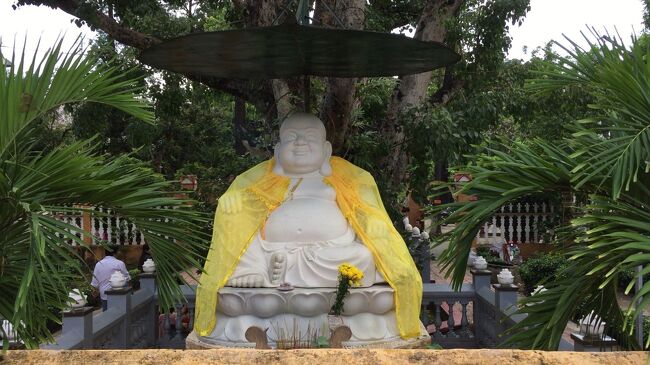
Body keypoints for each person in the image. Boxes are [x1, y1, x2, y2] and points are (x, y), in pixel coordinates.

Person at [194, 112, 422, 340]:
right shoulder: (262, 182)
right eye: (291, 137)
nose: (300, 142)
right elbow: (242, 209)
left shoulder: (343, 181)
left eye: (309, 137)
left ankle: (281, 271)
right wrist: (231, 202)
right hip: (271, 251)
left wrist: (374, 225)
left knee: (363, 255)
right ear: (277, 151)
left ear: (326, 151)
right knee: (245, 236)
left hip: (331, 254)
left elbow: (365, 213)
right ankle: (257, 270)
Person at [91, 245, 130, 311]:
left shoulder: (98, 264)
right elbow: (127, 278)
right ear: (116, 252)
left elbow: (94, 283)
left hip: (104, 294)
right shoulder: (119, 263)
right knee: (120, 313)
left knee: (106, 315)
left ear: (105, 252)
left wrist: (95, 293)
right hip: (119, 293)